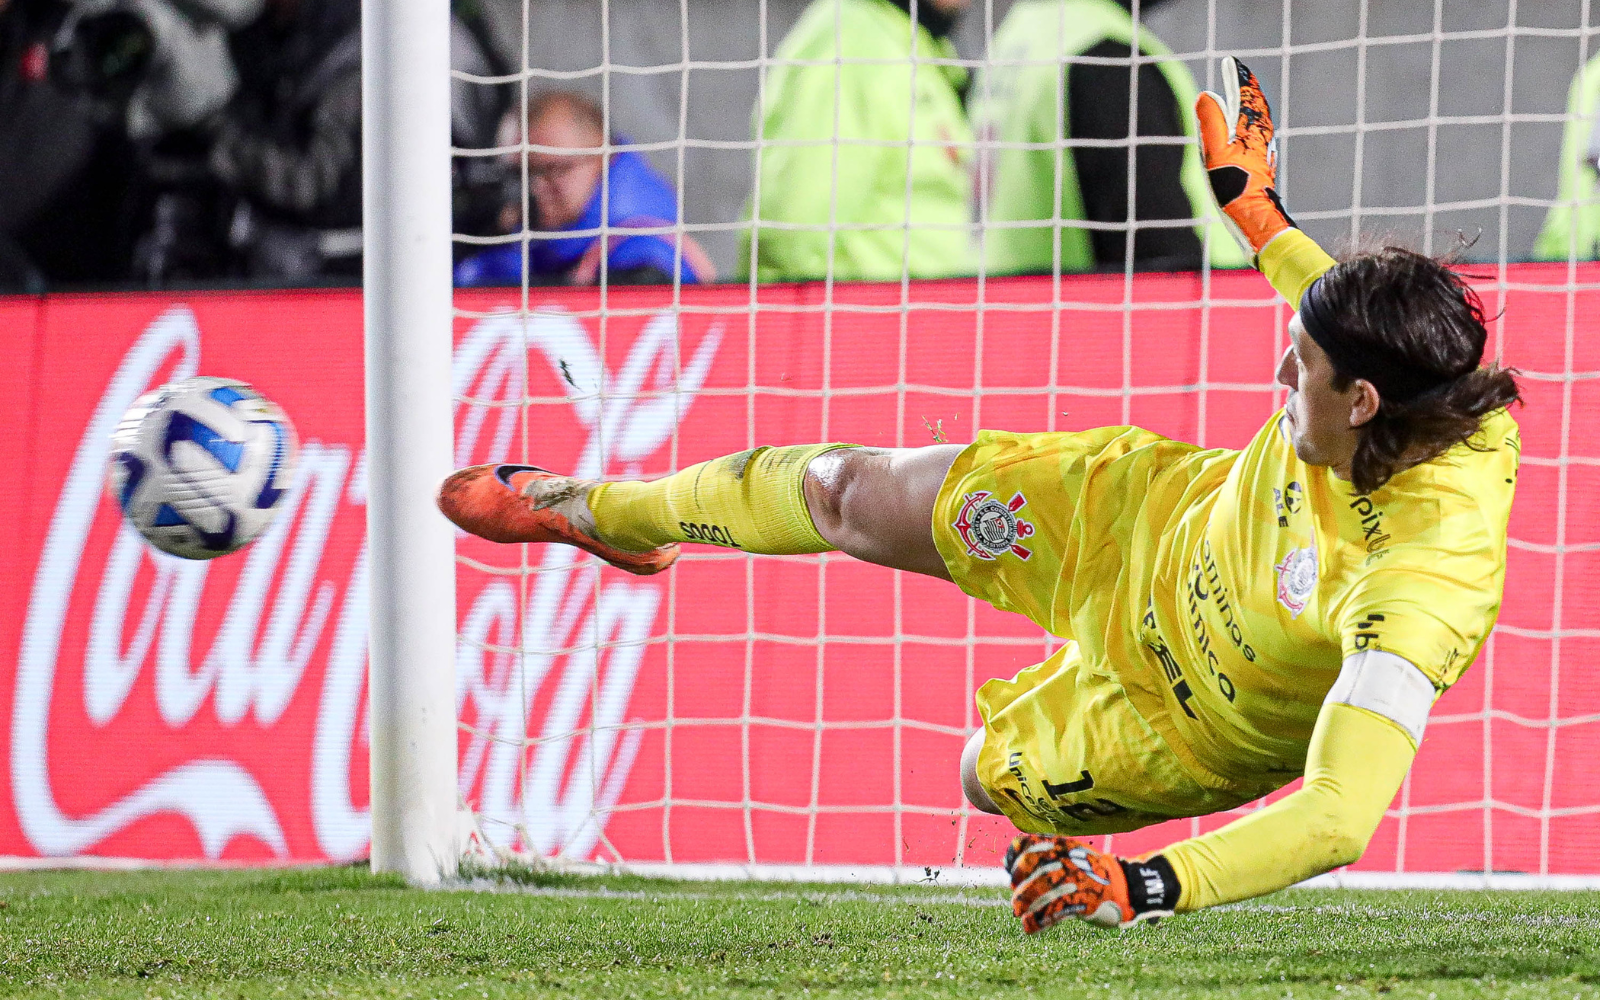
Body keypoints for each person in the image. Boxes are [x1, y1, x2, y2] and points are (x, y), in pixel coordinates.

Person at [436, 59, 1521, 930]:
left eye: (1301, 374)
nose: (1277, 379)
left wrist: (1147, 884)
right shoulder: (1389, 367)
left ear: (1368, 403)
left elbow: (1337, 816)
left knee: (978, 777)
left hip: (1182, 728)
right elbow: (1318, 297)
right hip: (1135, 522)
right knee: (846, 490)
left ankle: (1063, 758)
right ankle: (595, 512)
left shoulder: (1426, 576)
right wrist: (1254, 208)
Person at [970, 0, 1245, 274]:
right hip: (1109, 310)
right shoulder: (1105, 56)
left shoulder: (1023, 32)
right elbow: (1158, 260)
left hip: (1019, 301)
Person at [739, 0, 974, 282]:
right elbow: (794, 237)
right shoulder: (851, 42)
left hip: (930, 315)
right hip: (867, 320)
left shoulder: (913, 41)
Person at [453, 90, 715, 287]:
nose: (534, 187)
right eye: (520, 174)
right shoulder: (518, 244)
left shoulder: (646, 252)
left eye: (553, 170)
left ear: (603, 158)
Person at [1534, 49, 1600, 261]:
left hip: (1575, 234)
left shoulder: (1591, 72)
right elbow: (1594, 159)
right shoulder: (1593, 76)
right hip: (1587, 241)